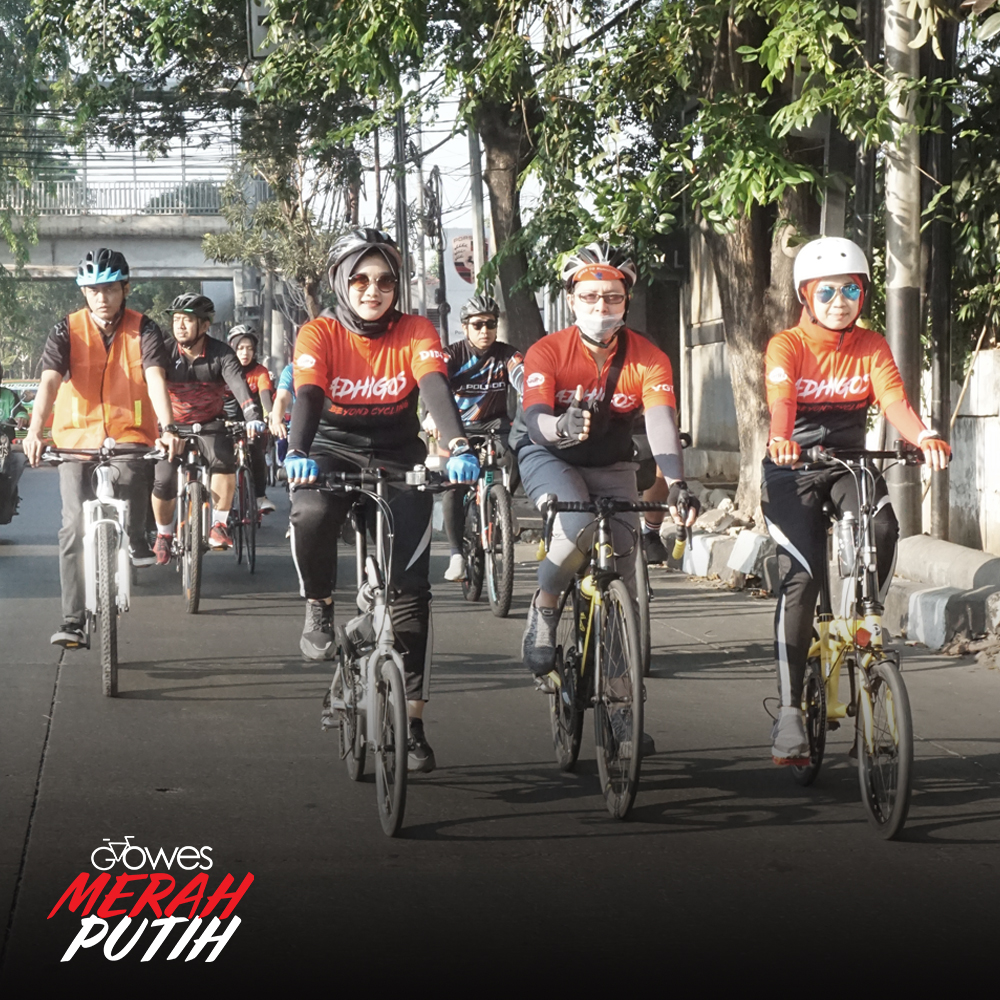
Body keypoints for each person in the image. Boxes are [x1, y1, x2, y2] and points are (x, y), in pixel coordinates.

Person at [285, 228, 479, 774]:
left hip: (397, 453)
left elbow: (435, 385)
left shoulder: (417, 329)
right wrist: (298, 450)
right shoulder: (318, 332)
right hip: (330, 449)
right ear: (341, 284)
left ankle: (412, 723)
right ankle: (320, 606)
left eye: (385, 280)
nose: (374, 290)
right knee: (312, 509)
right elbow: (309, 394)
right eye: (361, 279)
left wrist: (458, 443)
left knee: (410, 594)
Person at [762, 236, 951, 765]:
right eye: (828, 291)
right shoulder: (787, 344)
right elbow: (781, 402)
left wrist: (923, 437)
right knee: (802, 579)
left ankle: (868, 616)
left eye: (851, 289)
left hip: (850, 461)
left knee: (886, 528)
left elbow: (893, 399)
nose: (840, 300)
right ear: (806, 294)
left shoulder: (871, 345)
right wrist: (783, 438)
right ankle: (792, 712)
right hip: (792, 466)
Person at [512, 242, 698, 686]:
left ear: (626, 301)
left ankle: (619, 701)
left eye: (613, 296)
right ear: (572, 299)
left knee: (624, 569)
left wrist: (676, 482)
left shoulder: (650, 358)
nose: (602, 305)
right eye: (590, 296)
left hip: (611, 461)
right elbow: (536, 418)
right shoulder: (547, 351)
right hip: (549, 455)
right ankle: (546, 605)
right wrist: (563, 424)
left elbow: (659, 422)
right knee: (575, 529)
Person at [21, 248, 181, 648]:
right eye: (93, 290)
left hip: (129, 434)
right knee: (72, 525)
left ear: (125, 288)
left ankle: (137, 537)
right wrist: (34, 431)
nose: (101, 298)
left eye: (109, 288)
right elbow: (50, 383)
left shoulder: (145, 329)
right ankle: (73, 619)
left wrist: (167, 427)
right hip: (75, 439)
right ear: (84, 292)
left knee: (133, 482)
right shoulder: (66, 330)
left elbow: (156, 378)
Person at [150, 294, 265, 564]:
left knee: (224, 460)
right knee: (163, 479)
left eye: (187, 320)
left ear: (204, 325)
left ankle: (219, 524)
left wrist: (252, 415)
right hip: (172, 427)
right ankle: (163, 536)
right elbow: (149, 385)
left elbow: (238, 385)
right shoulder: (163, 352)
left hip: (210, 424)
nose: (179, 326)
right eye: (176, 320)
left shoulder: (221, 353)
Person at [428, 292, 524, 582]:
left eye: (491, 324)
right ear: (466, 327)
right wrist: (432, 415)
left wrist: (534, 397)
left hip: (495, 424)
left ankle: (505, 504)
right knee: (454, 486)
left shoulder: (507, 354)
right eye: (479, 325)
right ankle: (456, 553)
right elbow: (435, 384)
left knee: (522, 449)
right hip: (457, 428)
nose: (485, 331)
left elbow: (522, 376)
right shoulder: (452, 354)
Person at [227, 325, 276, 513]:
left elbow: (265, 397)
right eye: (240, 348)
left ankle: (260, 497)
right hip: (226, 420)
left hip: (252, 422)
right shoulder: (223, 368)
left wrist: (270, 417)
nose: (245, 353)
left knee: (256, 451)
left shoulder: (260, 372)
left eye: (249, 348)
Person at [0, 362, 29, 525]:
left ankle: (8, 497)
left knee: (19, 460)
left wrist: (22, 418)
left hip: (4, 447)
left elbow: (20, 411)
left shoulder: (9, 396)